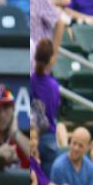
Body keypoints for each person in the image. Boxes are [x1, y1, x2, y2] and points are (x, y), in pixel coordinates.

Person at [31, 39, 61, 177]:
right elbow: (54, 109)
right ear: (51, 59)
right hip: (48, 136)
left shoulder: (31, 80)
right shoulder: (53, 85)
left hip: (34, 137)